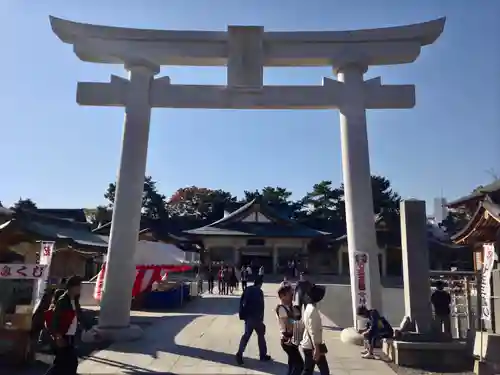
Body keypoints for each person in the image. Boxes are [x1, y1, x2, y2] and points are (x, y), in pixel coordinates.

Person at [45, 276, 92, 375]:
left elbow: (79, 316)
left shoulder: (74, 300)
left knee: (64, 363)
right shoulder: (63, 300)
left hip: (71, 335)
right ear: (72, 287)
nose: (80, 289)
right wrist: (58, 336)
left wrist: (89, 329)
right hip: (63, 335)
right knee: (68, 363)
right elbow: (55, 319)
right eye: (79, 286)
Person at [236, 278, 271, 365]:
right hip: (256, 317)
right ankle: (263, 355)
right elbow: (261, 306)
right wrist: (261, 319)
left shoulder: (247, 289)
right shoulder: (259, 292)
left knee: (246, 336)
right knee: (261, 335)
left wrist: (243, 315)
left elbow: (242, 302)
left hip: (248, 317)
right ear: (260, 284)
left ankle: (239, 354)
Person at [301, 284, 330, 375]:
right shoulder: (313, 310)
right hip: (313, 346)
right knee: (324, 371)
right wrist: (317, 349)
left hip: (309, 344)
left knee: (308, 370)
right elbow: (313, 331)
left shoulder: (308, 308)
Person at [276, 283, 304, 375]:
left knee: (292, 363)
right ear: (282, 296)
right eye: (290, 294)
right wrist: (297, 322)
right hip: (287, 340)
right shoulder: (281, 308)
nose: (292, 296)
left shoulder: (290, 306)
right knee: (299, 365)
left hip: (292, 339)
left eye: (292, 294)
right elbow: (288, 323)